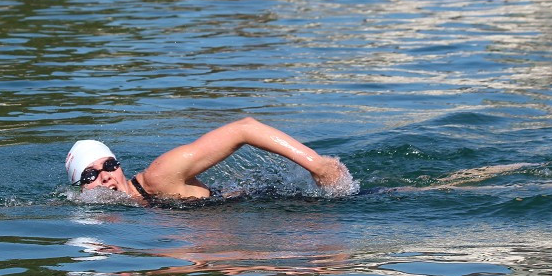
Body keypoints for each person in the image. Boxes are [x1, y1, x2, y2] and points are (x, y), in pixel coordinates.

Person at [65, 117, 349, 204]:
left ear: (119, 166)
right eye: (89, 175)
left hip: (279, 205)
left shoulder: (159, 176)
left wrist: (317, 165)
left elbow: (244, 128)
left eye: (110, 165)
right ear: (79, 190)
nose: (105, 177)